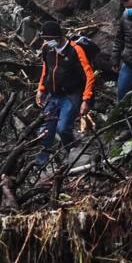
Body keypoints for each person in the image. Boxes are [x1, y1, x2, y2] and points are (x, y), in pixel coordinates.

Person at [35, 21, 95, 164]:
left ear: (58, 37)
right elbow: (46, 69)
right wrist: (41, 89)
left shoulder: (75, 50)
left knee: (62, 128)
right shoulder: (47, 49)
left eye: (49, 39)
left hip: (71, 94)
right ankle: (41, 162)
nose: (47, 42)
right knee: (45, 129)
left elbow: (89, 75)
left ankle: (74, 152)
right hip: (53, 94)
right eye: (45, 39)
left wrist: (86, 99)